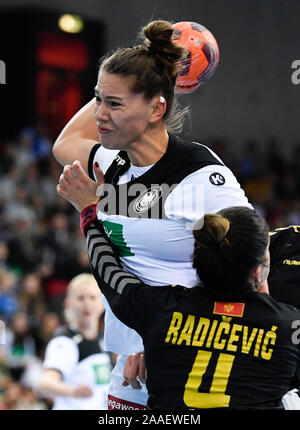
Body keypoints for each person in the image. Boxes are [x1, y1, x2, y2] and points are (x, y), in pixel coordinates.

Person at [54, 20, 253, 409]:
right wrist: (146, 65)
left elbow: (254, 263)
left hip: (188, 363)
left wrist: (170, 341)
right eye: (97, 99)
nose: (99, 115)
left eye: (114, 104)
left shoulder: (200, 176)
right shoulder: (114, 166)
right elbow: (66, 143)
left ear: (157, 108)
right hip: (130, 363)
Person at [79, 204, 300, 409]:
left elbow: (107, 270)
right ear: (257, 273)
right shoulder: (289, 324)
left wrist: (89, 214)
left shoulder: (160, 309)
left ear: (195, 257)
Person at [37, 274, 111, 410]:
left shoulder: (103, 340)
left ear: (102, 303)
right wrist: (73, 391)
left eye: (92, 297)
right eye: (80, 298)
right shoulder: (65, 342)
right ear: (68, 303)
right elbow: (44, 384)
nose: (87, 304)